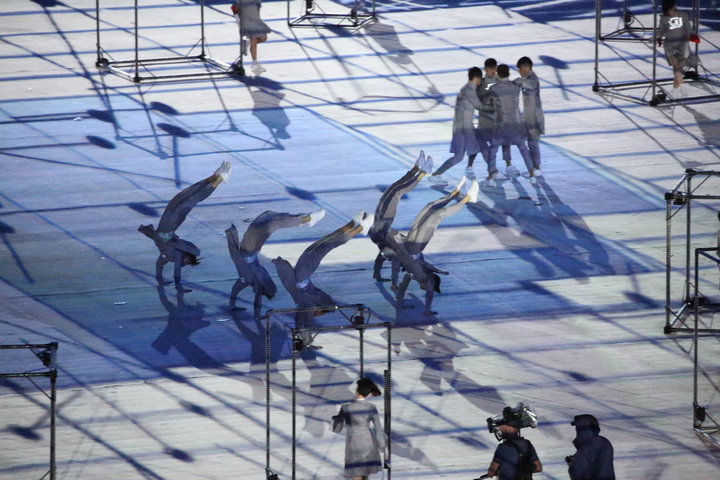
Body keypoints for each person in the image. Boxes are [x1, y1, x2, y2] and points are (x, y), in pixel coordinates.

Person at [272, 211, 374, 348]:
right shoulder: (308, 303)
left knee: (328, 243)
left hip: (303, 271)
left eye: (320, 314)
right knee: (327, 241)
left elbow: (304, 323)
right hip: (303, 268)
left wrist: (305, 340)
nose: (318, 316)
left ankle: (358, 227)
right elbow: (303, 322)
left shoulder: (308, 306)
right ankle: (354, 225)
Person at [389, 178, 479, 315]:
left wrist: (399, 301)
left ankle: (457, 193)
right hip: (416, 246)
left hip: (409, 245)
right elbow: (429, 286)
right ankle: (467, 198)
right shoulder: (427, 279)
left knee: (429, 209)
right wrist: (427, 310)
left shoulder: (412, 276)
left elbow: (403, 286)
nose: (423, 287)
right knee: (436, 215)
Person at [138, 162, 231, 292]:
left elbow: (165, 269)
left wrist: (165, 282)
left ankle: (217, 177)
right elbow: (164, 268)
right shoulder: (175, 255)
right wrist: (173, 285)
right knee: (187, 198)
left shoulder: (171, 258)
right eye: (188, 261)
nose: (186, 262)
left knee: (185, 197)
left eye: (187, 263)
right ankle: (216, 177)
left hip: (168, 223)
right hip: (170, 225)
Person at [225, 209, 325, 316]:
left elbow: (251, 297)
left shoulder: (250, 282)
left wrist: (254, 314)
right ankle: (305, 219)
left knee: (268, 218)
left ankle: (300, 219)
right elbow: (237, 292)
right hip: (250, 248)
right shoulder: (249, 281)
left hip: (248, 248)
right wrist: (235, 305)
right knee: (270, 221)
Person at [369, 151, 433, 282]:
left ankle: (420, 171)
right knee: (395, 191)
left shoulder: (391, 254)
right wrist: (377, 274)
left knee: (395, 190)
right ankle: (420, 171)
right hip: (383, 220)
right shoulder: (390, 251)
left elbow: (384, 261)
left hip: (382, 221)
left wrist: (390, 281)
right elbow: (379, 260)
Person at [428, 67, 486, 184]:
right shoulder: (469, 91)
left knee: (478, 146)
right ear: (476, 78)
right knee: (459, 156)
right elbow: (480, 107)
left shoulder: (465, 89)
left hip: (464, 127)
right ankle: (436, 174)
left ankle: (470, 168)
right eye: (480, 79)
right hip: (463, 128)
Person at [485, 64, 534, 187]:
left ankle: (490, 178)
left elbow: (487, 103)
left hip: (502, 124)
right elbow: (530, 87)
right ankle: (532, 174)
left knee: (493, 149)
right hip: (517, 122)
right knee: (523, 149)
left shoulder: (494, 88)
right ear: (509, 74)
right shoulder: (515, 86)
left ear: (497, 74)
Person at [332, 377, 387, 480]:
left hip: (353, 443)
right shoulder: (371, 407)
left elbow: (337, 429)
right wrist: (382, 445)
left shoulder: (346, 407)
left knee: (356, 473)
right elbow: (378, 428)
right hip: (368, 443)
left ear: (357, 391)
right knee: (365, 474)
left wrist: (336, 419)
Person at [656, 0, 700, 98]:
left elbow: (688, 28)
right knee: (676, 67)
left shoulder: (683, 15)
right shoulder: (663, 18)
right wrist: (658, 36)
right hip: (669, 46)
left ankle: (675, 89)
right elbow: (661, 30)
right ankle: (682, 88)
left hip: (682, 45)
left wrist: (690, 35)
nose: (672, 10)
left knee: (679, 68)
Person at [479, 58, 514, 176]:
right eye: (489, 69)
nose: (492, 72)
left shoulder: (499, 81)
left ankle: (508, 165)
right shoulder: (481, 83)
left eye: (494, 69)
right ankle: (490, 169)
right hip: (485, 119)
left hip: (499, 118)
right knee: (485, 145)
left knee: (506, 141)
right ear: (485, 69)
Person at [514, 57, 544, 179]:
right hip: (527, 117)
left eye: (521, 69)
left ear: (528, 67)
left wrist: (517, 81)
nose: (520, 72)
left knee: (533, 143)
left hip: (534, 118)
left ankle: (536, 168)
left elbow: (529, 85)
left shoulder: (532, 79)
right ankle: (532, 167)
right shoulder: (526, 79)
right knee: (526, 142)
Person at [566, 414, 615, 480]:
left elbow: (577, 473)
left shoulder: (586, 446)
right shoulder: (605, 442)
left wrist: (571, 463)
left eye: (577, 429)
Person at [232, 0, 272, 72]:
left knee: (264, 38)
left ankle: (248, 43)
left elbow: (258, 10)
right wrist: (239, 20)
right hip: (246, 21)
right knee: (254, 41)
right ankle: (254, 62)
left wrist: (258, 22)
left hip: (255, 21)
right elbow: (235, 9)